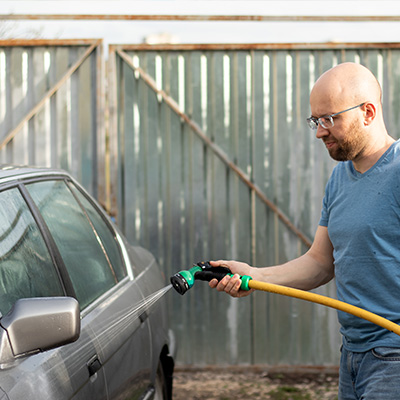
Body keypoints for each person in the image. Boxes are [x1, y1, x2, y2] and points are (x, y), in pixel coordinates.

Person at [209, 62, 400, 399]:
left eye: (329, 119)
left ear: (368, 112)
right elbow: (320, 262)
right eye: (315, 120)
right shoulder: (340, 179)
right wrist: (254, 275)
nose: (319, 132)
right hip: (353, 356)